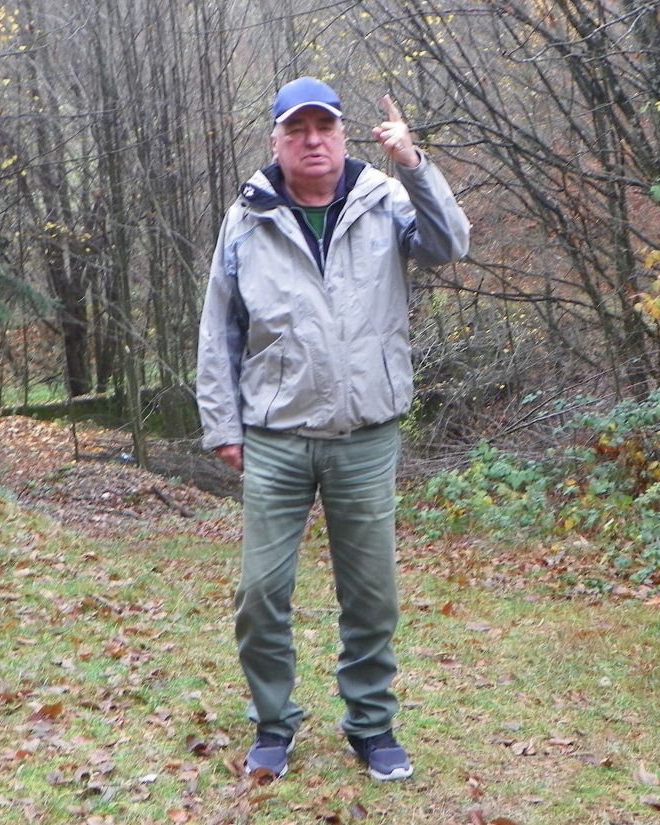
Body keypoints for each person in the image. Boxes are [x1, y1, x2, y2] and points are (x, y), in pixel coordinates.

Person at [196, 76, 469, 781]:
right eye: (297, 130)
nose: (312, 141)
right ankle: (273, 723)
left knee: (371, 594)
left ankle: (372, 726)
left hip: (365, 434)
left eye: (324, 127)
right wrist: (223, 424)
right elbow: (219, 327)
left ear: (344, 135)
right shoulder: (247, 217)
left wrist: (414, 163)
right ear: (276, 141)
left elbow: (450, 246)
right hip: (276, 437)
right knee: (260, 594)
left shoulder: (385, 200)